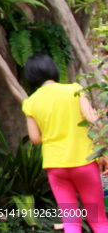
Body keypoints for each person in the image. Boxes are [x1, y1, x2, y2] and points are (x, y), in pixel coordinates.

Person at [22, 54, 108, 233]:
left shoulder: (30, 102)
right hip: (83, 163)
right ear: (53, 69)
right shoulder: (74, 90)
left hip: (56, 167)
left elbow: (35, 138)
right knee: (98, 220)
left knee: (71, 222)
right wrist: (103, 151)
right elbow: (92, 120)